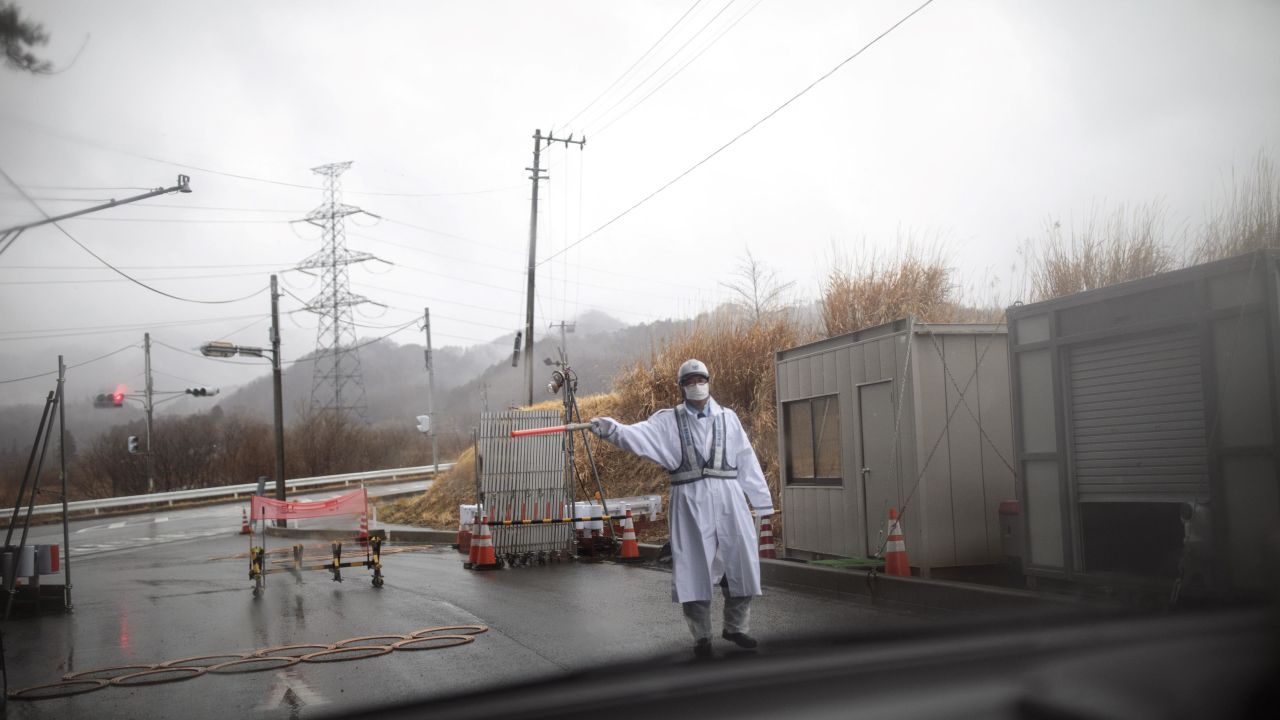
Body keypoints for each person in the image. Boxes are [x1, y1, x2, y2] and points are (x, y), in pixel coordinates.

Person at [590, 358, 775, 659]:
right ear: (681, 387)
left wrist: (761, 500)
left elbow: (746, 458)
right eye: (689, 381)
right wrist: (611, 430)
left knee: (741, 562)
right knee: (694, 569)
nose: (696, 385)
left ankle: (736, 627)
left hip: (729, 497)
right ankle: (702, 637)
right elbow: (636, 436)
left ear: (708, 380)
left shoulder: (728, 418)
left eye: (700, 379)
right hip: (689, 500)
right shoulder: (667, 421)